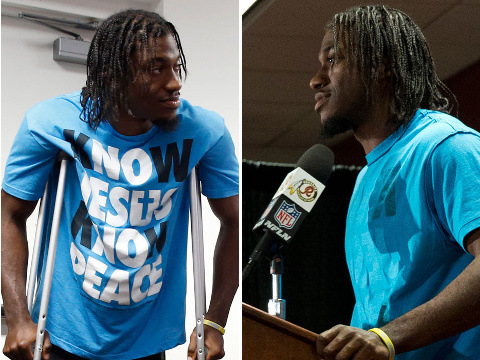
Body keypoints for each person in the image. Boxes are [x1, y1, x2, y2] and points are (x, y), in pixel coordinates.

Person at [1, 9, 239, 360]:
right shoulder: (50, 122)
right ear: (114, 76)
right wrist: (18, 318)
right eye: (157, 69)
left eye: (176, 67)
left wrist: (215, 322)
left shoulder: (205, 132)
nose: (175, 83)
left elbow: (235, 221)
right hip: (61, 338)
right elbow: (8, 215)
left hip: (147, 340)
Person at [309, 5, 480, 360]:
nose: (316, 79)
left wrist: (387, 338)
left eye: (332, 60)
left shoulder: (446, 147)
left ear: (381, 66)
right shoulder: (366, 178)